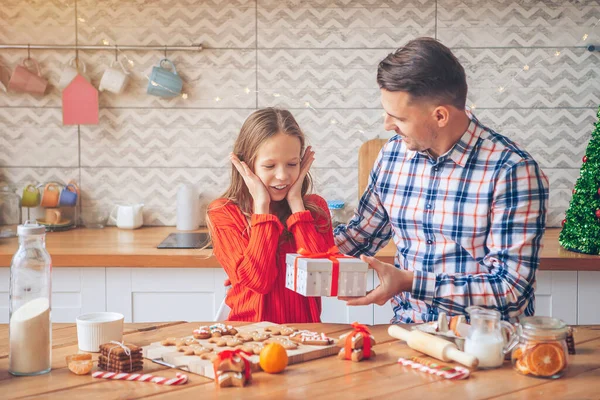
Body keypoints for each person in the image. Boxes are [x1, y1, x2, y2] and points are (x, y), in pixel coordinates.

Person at [334, 37, 549, 323]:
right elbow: (359, 238)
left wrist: (412, 282)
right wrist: (287, 236)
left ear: (440, 116)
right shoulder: (392, 155)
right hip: (407, 336)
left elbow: (510, 290)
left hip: (485, 344)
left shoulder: (512, 171)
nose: (387, 125)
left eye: (397, 116)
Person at [207, 107, 334, 323]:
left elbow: (322, 279)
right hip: (246, 337)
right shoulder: (224, 213)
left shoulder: (314, 209)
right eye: (269, 165)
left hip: (304, 335)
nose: (283, 175)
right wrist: (262, 207)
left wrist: (296, 204)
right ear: (245, 165)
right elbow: (259, 282)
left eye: (292, 164)